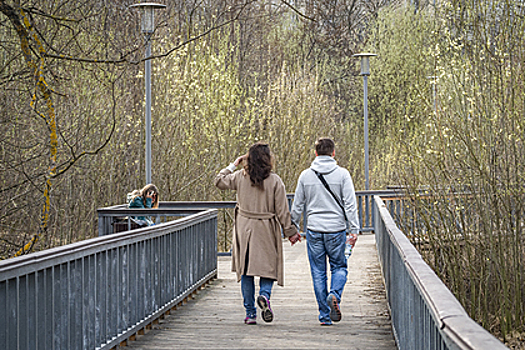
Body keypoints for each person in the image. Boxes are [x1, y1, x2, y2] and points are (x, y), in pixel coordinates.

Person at [215, 142, 301, 325]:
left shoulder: (239, 177)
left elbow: (219, 181)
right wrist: (290, 232)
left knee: (246, 271)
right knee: (268, 268)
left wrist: (233, 165)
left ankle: (250, 313)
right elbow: (282, 211)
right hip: (266, 228)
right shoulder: (275, 181)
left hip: (244, 229)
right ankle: (264, 295)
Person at [290, 137, 360, 326]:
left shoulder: (305, 175)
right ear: (333, 153)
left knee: (318, 272)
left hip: (313, 229)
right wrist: (354, 229)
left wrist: (292, 228)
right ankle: (335, 294)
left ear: (315, 153)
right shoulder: (343, 174)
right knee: (339, 266)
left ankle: (324, 316)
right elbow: (350, 204)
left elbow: (297, 205)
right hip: (336, 229)